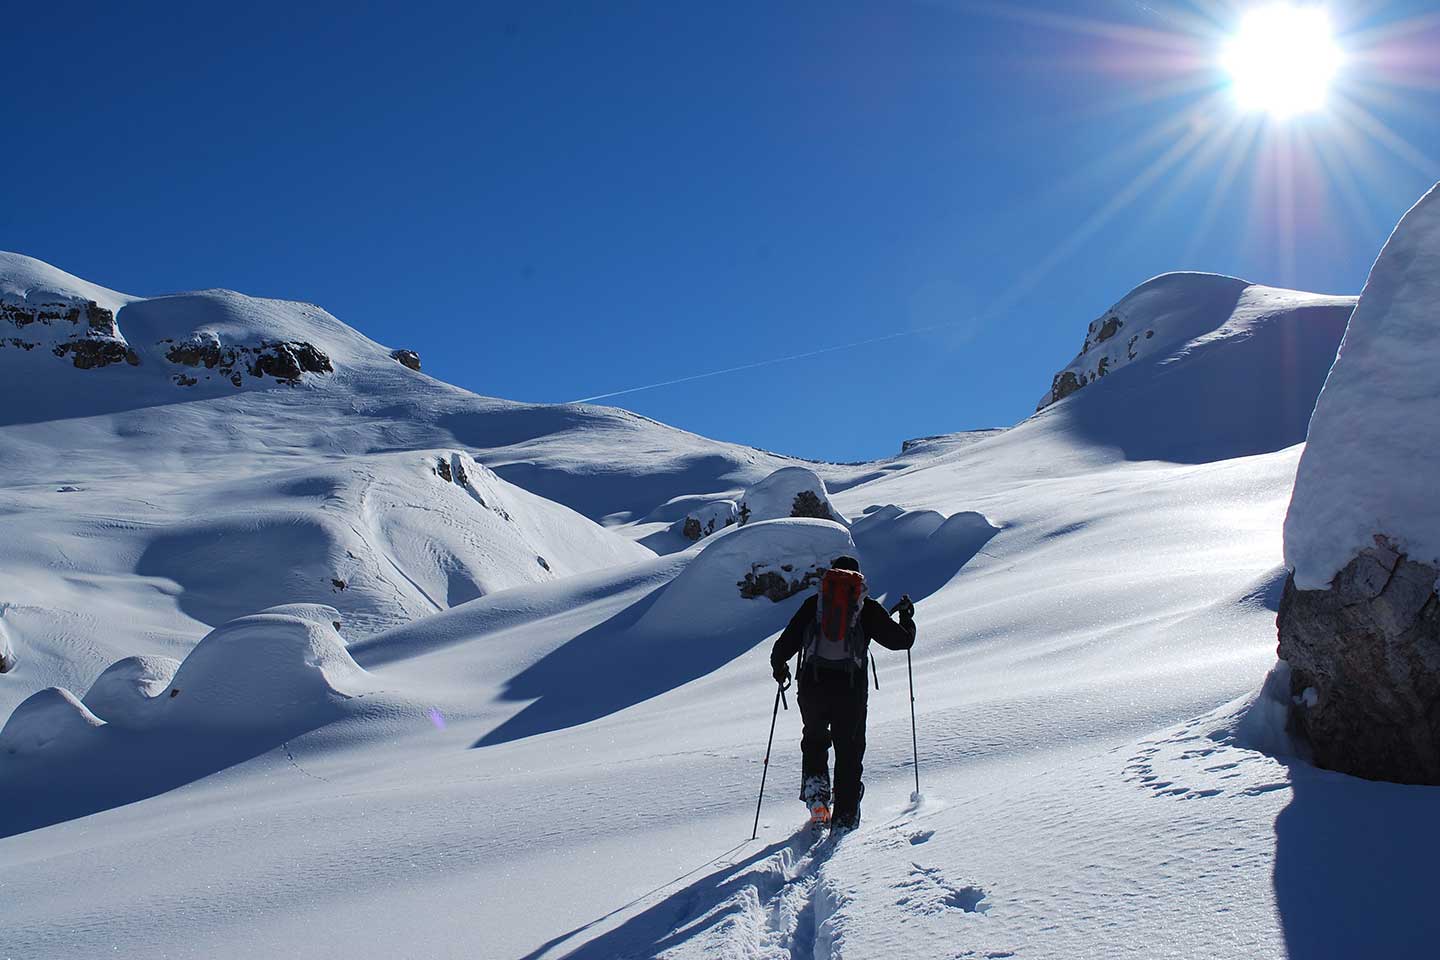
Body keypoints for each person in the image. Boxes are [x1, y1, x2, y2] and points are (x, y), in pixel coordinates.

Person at [769, 555, 915, 831]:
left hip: (812, 686)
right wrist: (907, 618)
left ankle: (817, 798)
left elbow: (784, 645)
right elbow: (901, 641)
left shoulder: (815, 605)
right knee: (849, 749)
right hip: (850, 689)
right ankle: (845, 816)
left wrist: (780, 669)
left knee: (814, 739)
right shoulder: (866, 607)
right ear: (858, 579)